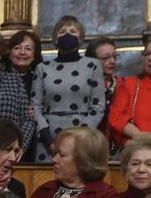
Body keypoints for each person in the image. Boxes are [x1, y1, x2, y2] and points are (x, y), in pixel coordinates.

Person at [32, 16, 106, 162]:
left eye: (73, 31)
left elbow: (98, 106)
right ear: (55, 37)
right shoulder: (42, 68)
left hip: (82, 137)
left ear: (80, 37)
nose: (67, 34)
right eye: (62, 31)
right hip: (49, 139)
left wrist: (79, 137)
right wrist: (49, 140)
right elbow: (35, 105)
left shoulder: (92, 65)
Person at [4, 29, 43, 158]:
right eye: (17, 48)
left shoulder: (41, 80)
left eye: (28, 49)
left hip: (33, 142)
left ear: (35, 55)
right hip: (3, 141)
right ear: (9, 53)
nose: (22, 52)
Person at [88, 36, 120, 120]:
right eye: (106, 58)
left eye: (114, 56)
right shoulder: (84, 86)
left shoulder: (122, 84)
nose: (112, 61)